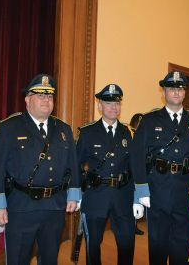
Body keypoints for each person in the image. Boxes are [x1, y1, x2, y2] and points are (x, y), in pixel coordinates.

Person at [0, 74, 81, 264]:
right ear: (27, 100)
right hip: (21, 206)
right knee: (18, 258)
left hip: (54, 206)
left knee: (49, 258)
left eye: (50, 96)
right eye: (40, 95)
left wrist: (73, 193)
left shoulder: (63, 129)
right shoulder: (8, 127)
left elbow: (73, 164)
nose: (46, 100)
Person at [131, 71, 189, 264]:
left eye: (180, 88)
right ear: (163, 91)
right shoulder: (149, 120)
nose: (176, 92)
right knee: (158, 245)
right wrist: (141, 190)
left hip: (185, 191)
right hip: (157, 190)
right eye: (171, 88)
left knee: (181, 247)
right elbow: (137, 156)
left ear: (184, 92)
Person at [76, 84, 141, 265]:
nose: (114, 107)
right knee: (93, 244)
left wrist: (138, 197)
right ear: (100, 106)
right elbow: (76, 165)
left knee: (127, 243)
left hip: (124, 195)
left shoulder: (130, 133)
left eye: (117, 103)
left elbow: (136, 168)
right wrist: (77, 192)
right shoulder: (87, 133)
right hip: (96, 195)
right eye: (108, 103)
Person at [129, 113, 145, 236]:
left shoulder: (140, 135)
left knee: (136, 199)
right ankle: (131, 224)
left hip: (139, 172)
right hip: (130, 172)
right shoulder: (130, 133)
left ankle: (133, 224)